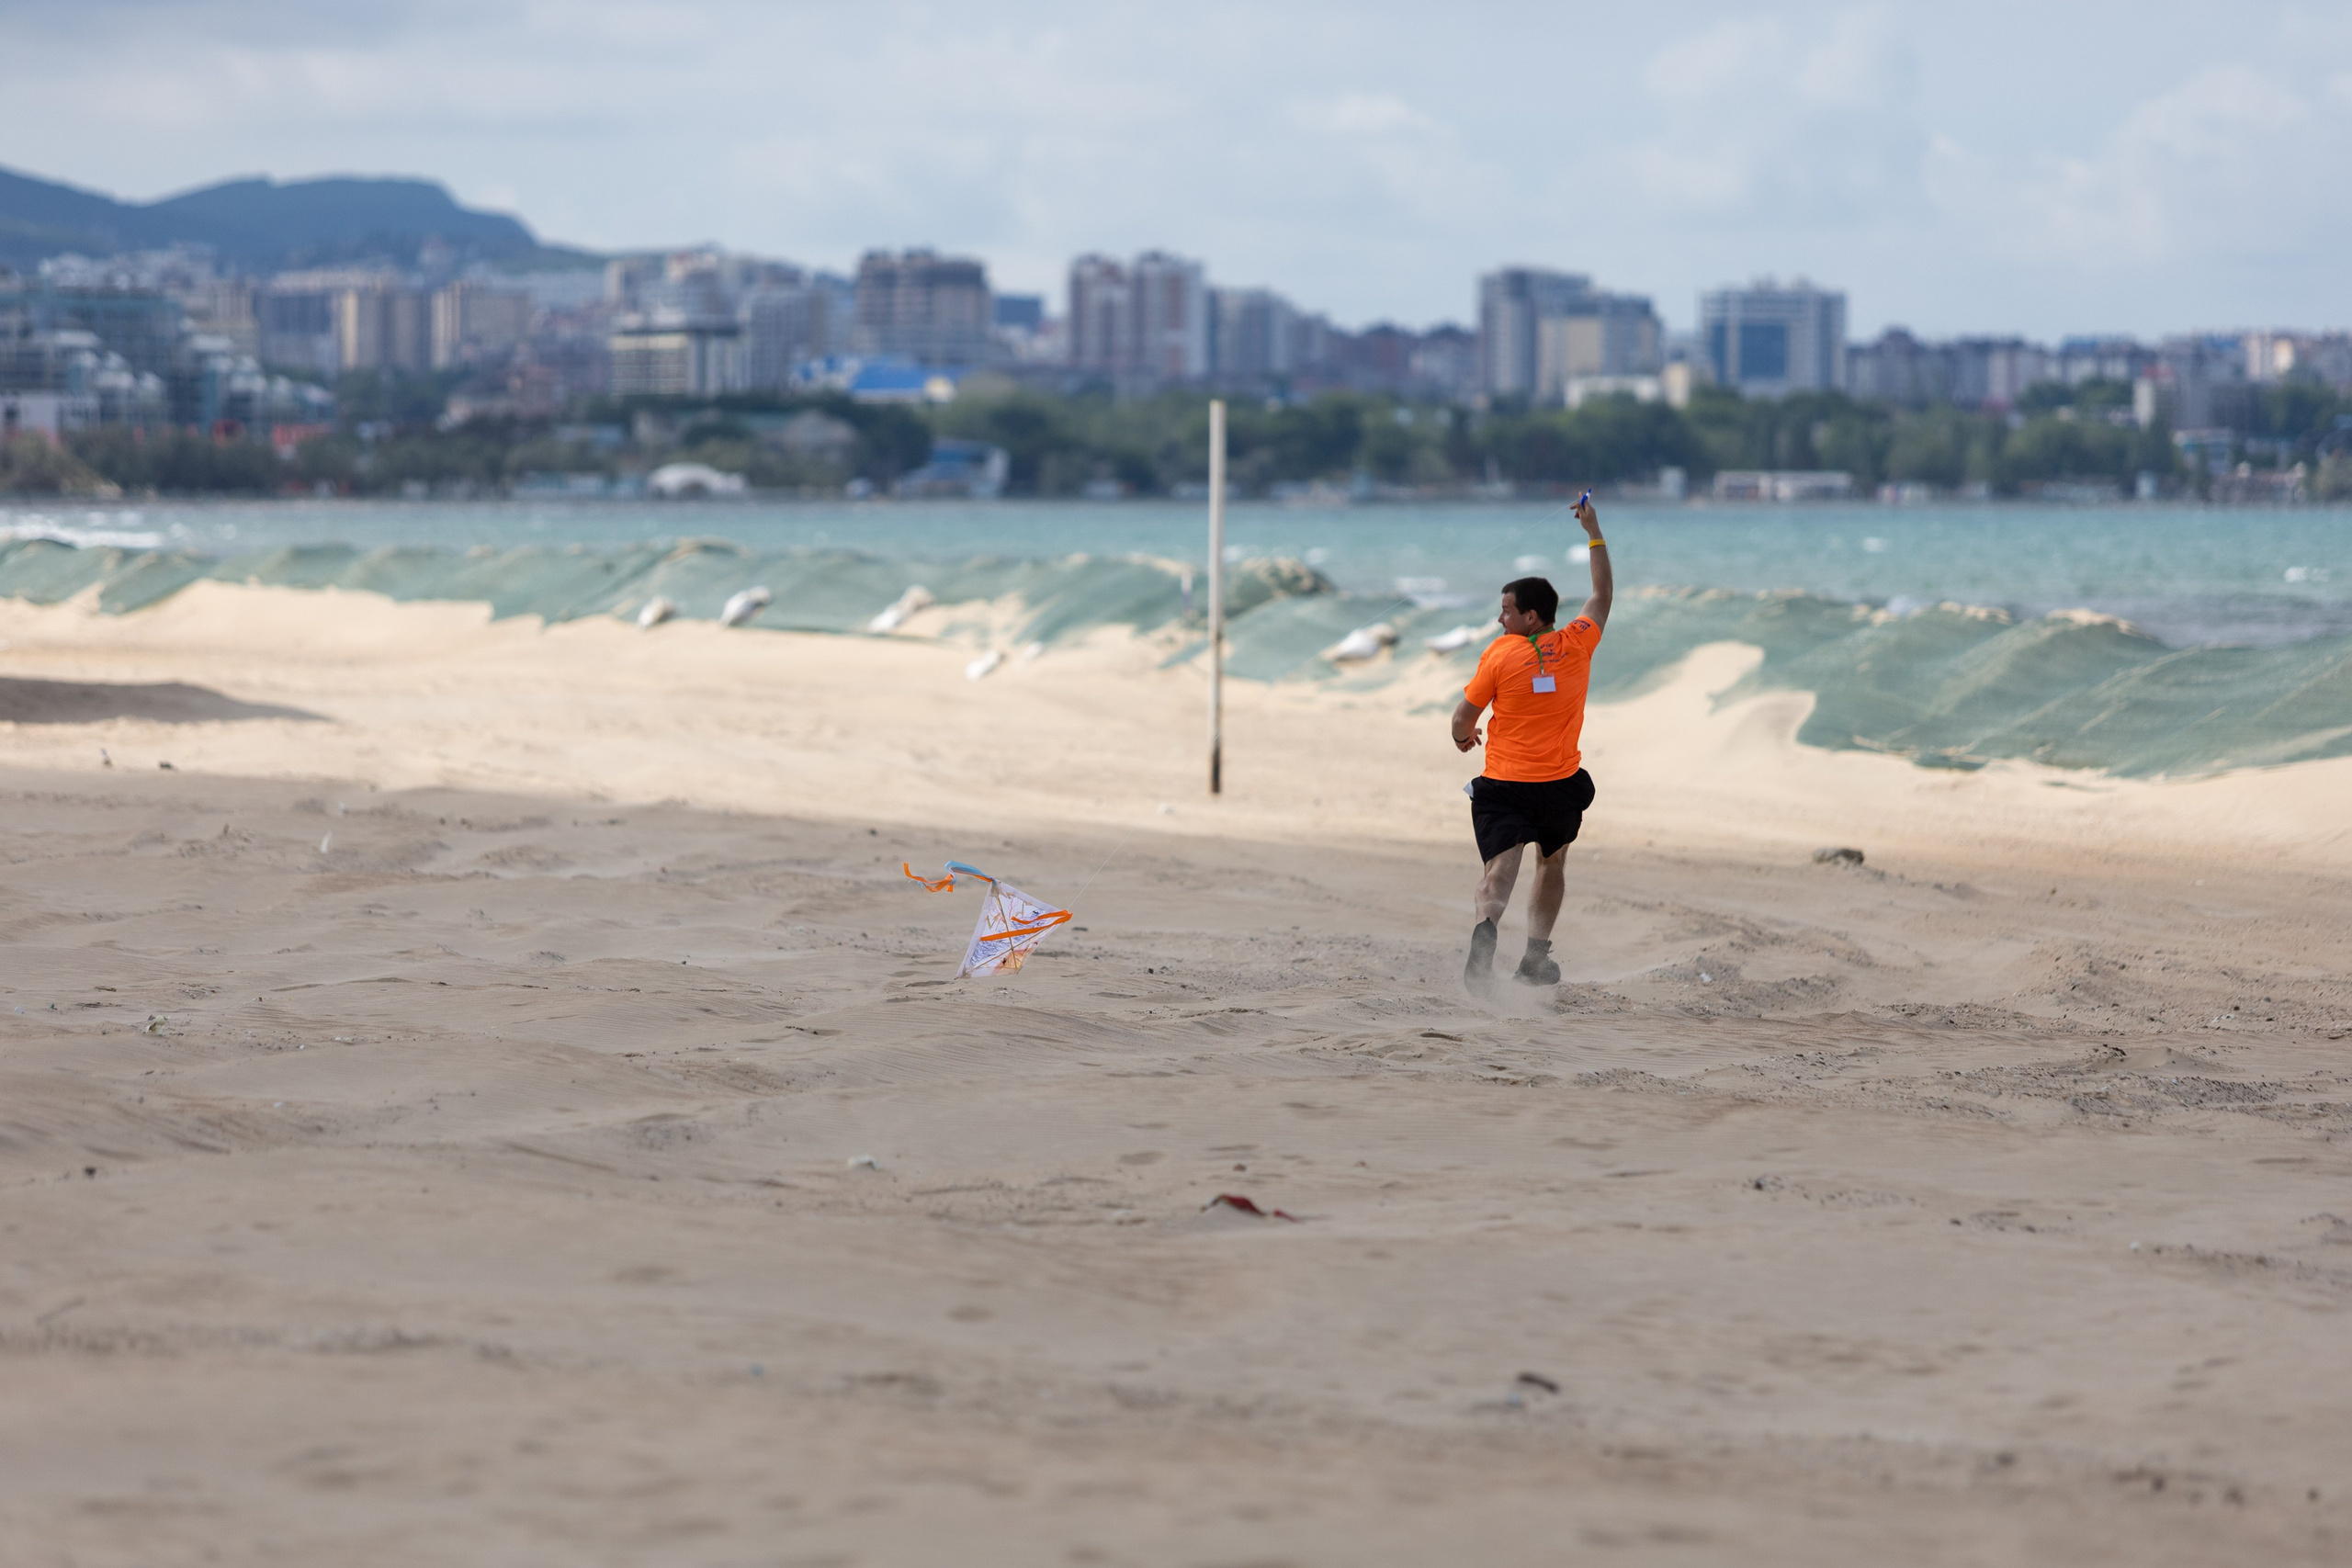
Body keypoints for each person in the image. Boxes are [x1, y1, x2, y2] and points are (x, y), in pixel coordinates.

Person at [1449, 496, 1611, 990]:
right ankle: (1535, 959)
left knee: (1501, 867)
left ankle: (1485, 930)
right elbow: (1602, 595)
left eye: (1507, 612)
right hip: (1559, 784)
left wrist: (1463, 738)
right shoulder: (1577, 644)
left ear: (1532, 617)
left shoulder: (1500, 656)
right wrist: (1593, 531)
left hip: (1504, 784)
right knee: (1552, 860)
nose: (1500, 621)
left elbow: (1463, 718)